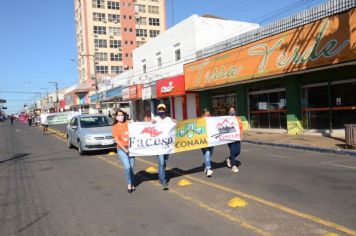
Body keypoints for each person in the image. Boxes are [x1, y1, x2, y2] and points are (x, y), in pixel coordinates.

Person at [152, 103, 175, 190]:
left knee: (164, 163)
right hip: (158, 146)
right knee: (161, 162)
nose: (161, 111)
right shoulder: (156, 119)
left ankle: (161, 176)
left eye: (163, 109)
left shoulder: (168, 119)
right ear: (157, 111)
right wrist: (151, 123)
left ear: (165, 110)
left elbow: (175, 124)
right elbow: (150, 125)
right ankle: (163, 180)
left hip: (167, 145)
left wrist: (177, 122)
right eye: (160, 109)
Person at [112, 109, 136, 193]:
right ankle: (129, 184)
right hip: (121, 149)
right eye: (119, 115)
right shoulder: (114, 127)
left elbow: (137, 127)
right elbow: (117, 140)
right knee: (127, 167)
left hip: (131, 148)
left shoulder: (127, 123)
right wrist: (125, 149)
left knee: (132, 168)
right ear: (116, 117)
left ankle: (132, 183)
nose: (120, 117)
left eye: (122, 115)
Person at [226, 107, 244, 173]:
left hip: (237, 137)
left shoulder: (238, 119)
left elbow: (241, 128)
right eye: (230, 110)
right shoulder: (226, 119)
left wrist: (241, 136)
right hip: (230, 138)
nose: (232, 111)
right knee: (233, 151)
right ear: (228, 112)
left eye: (233, 110)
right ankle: (233, 166)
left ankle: (229, 159)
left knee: (238, 151)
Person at [201, 109, 214, 177]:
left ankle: (206, 167)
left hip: (211, 141)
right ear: (203, 115)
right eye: (206, 115)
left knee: (209, 155)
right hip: (203, 141)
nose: (208, 116)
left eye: (209, 115)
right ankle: (208, 169)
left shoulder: (212, 121)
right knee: (207, 153)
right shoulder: (199, 122)